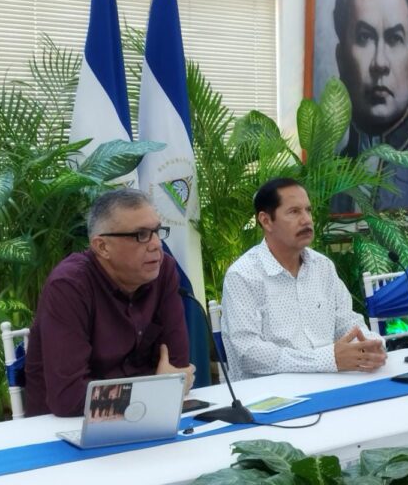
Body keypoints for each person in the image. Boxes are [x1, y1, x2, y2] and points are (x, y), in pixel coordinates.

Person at [25, 188, 195, 417]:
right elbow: (69, 398)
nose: (156, 244)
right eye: (141, 235)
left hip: (145, 417)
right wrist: (155, 390)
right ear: (102, 247)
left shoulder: (163, 271)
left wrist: (160, 388)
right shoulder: (69, 286)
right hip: (62, 431)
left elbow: (177, 367)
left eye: (156, 231)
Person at [221, 178, 387, 381]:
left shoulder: (322, 267)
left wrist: (371, 344)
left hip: (328, 382)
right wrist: (324, 359)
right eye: (294, 212)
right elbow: (249, 353)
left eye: (308, 210)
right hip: (268, 395)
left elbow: (348, 322)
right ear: (266, 221)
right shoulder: (243, 275)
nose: (306, 220)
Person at [333, 0, 408, 211]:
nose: (380, 63)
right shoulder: (325, 175)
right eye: (365, 37)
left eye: (394, 39)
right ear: (341, 61)